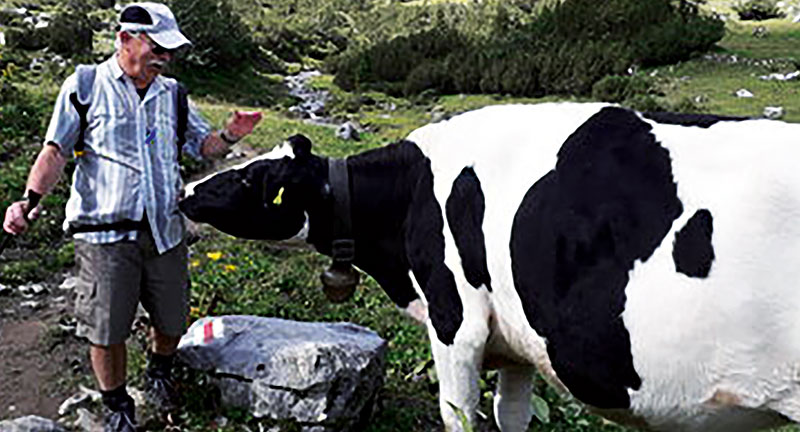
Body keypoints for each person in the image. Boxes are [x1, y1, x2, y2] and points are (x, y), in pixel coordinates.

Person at [2, 3, 262, 431]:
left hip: (165, 230)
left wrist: (232, 134)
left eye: (171, 51)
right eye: (158, 48)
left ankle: (159, 370)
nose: (165, 58)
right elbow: (56, 151)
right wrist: (28, 201)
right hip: (103, 235)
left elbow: (204, 147)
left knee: (173, 319)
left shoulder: (172, 93)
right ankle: (117, 404)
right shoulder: (85, 85)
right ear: (125, 38)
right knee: (106, 329)